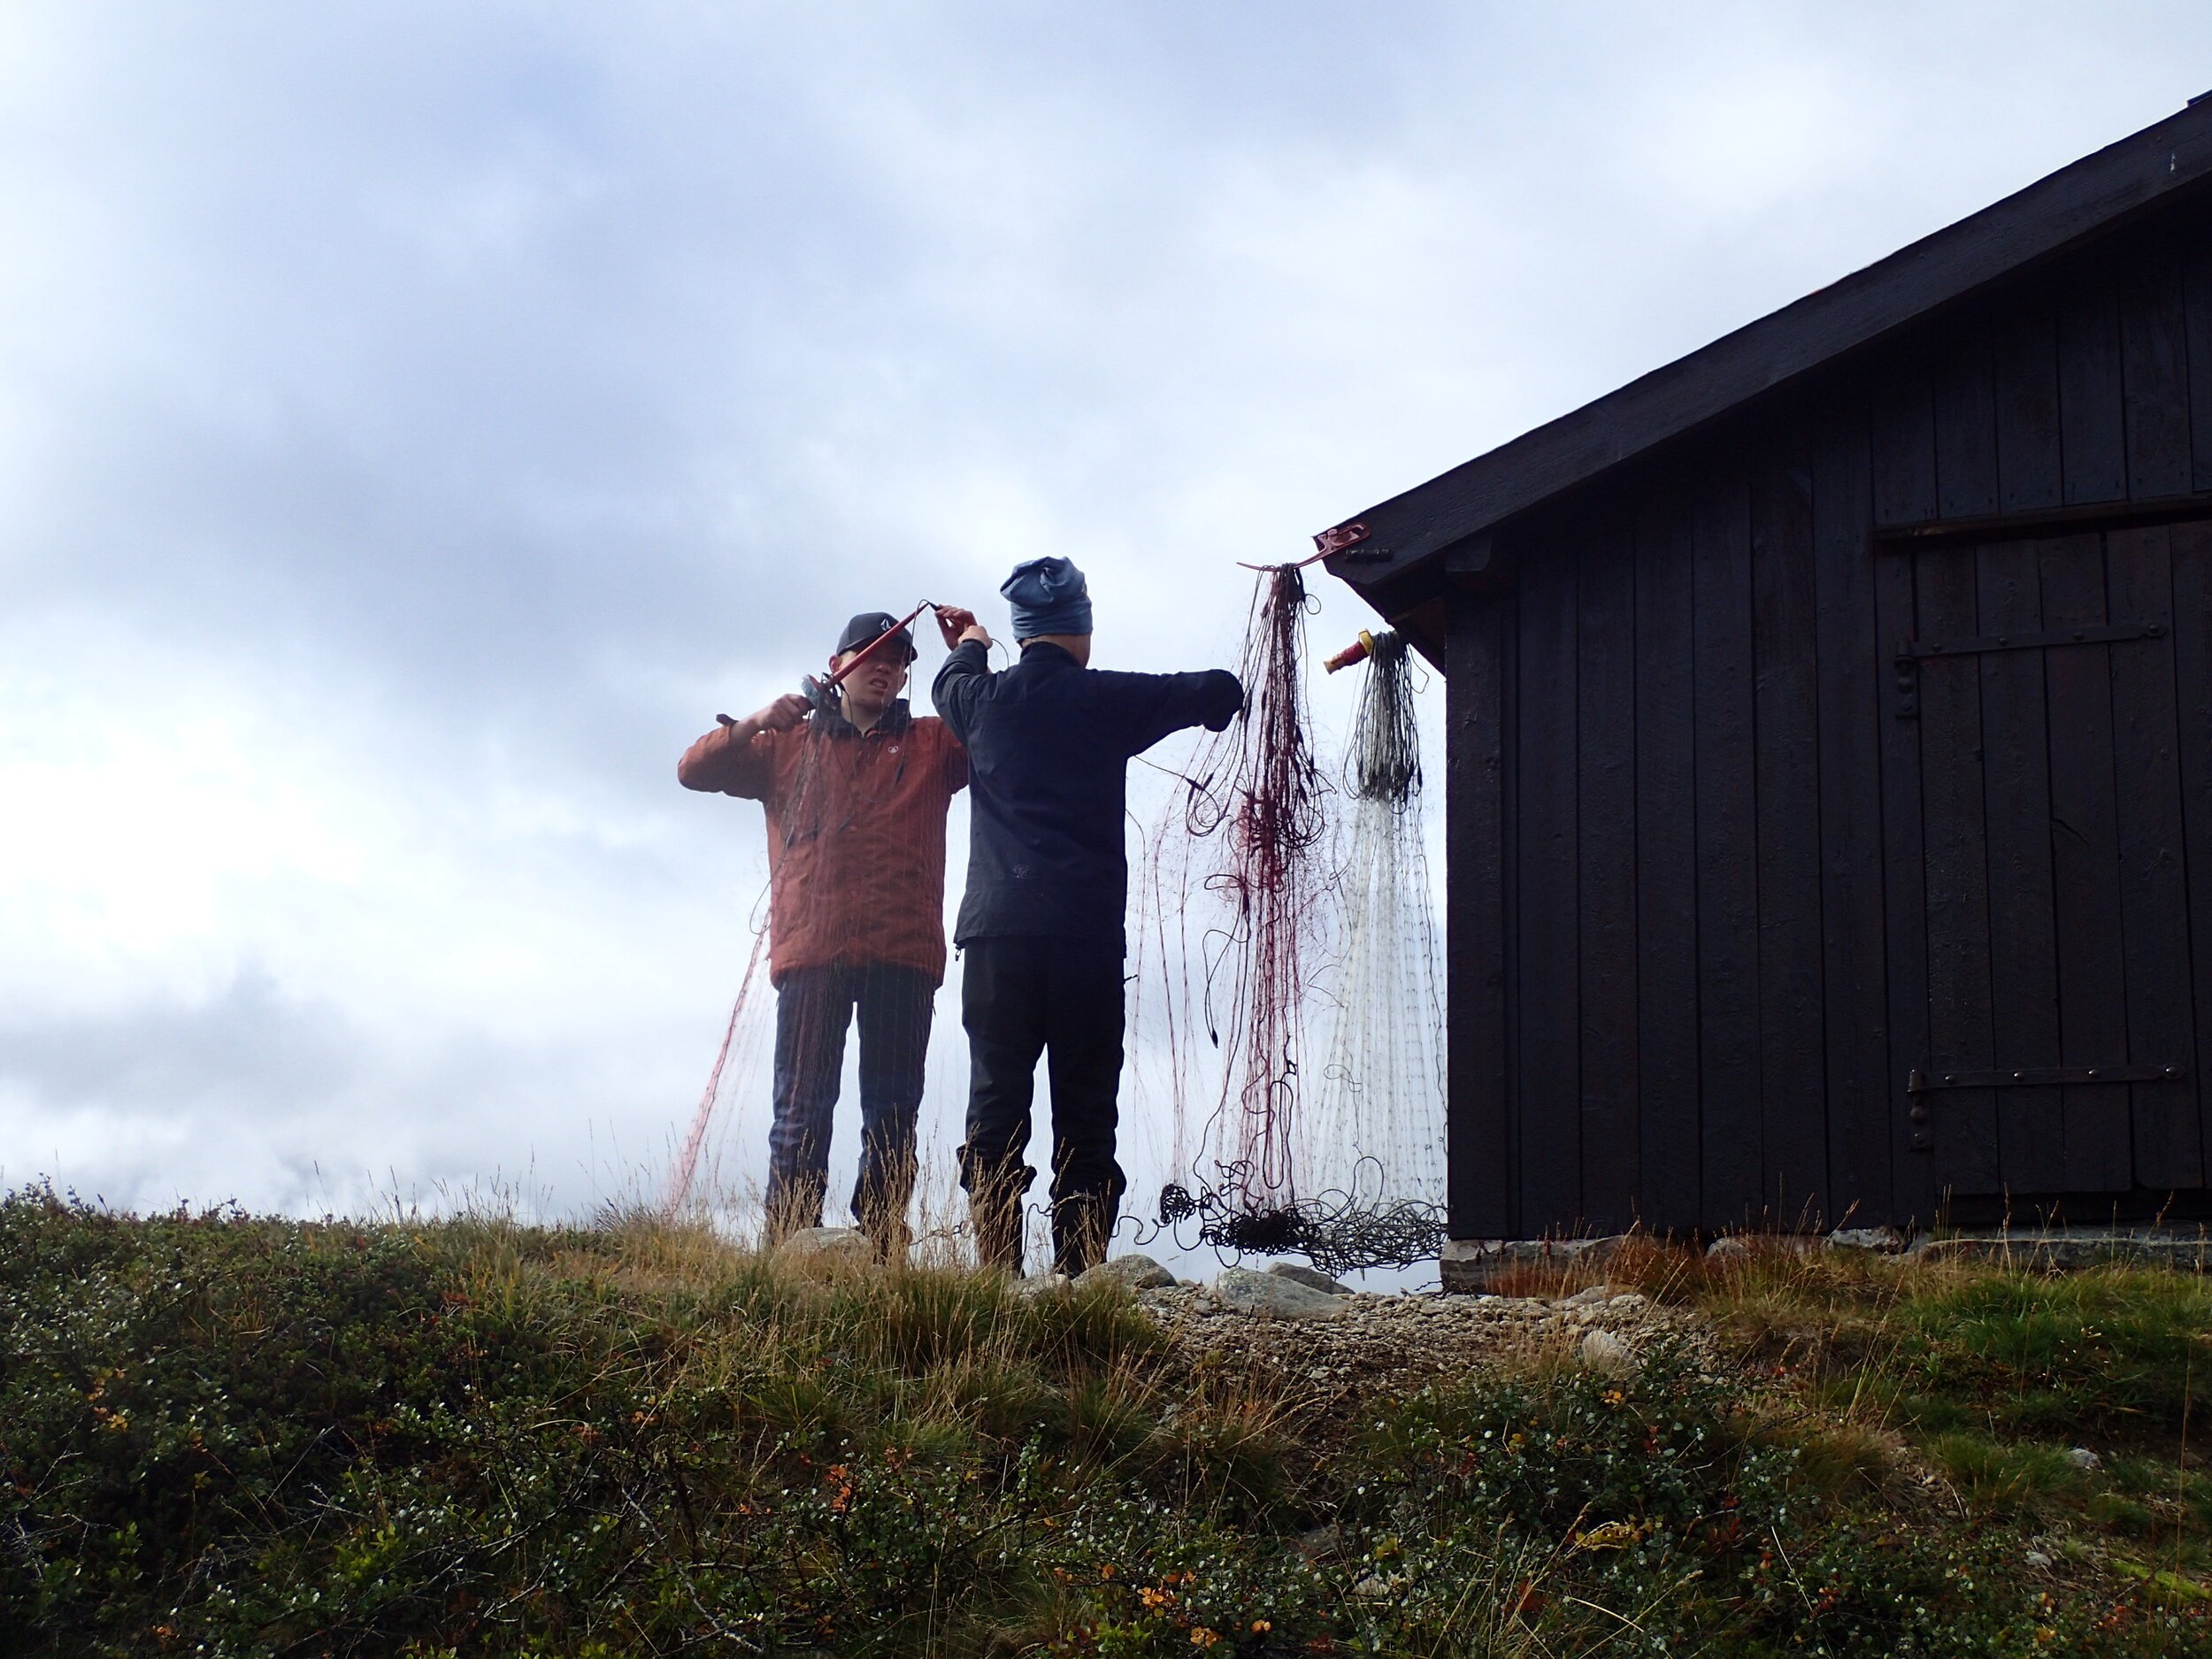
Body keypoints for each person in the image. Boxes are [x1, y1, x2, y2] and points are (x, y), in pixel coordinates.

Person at [932, 558, 1242, 1277]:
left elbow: (953, 678)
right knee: (1085, 1109)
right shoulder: (1106, 699)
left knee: (996, 1104)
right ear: (1082, 629)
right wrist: (1228, 694)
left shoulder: (976, 700)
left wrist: (971, 639)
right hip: (1083, 941)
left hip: (995, 937)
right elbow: (1206, 692)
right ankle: (1080, 1274)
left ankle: (998, 1276)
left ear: (1023, 631)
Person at [678, 611, 967, 1258]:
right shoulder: (785, 743)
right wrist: (755, 721)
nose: (886, 668)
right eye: (873, 655)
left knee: (892, 1117)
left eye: (898, 661)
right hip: (813, 952)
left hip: (903, 955)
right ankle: (789, 1248)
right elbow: (692, 769)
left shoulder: (933, 743)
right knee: (801, 1111)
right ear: (838, 666)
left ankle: (883, 1249)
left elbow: (995, 734)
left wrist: (969, 654)